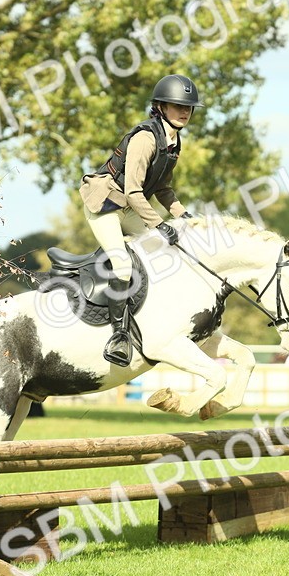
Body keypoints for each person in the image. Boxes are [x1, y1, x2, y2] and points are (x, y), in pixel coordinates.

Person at [78, 74, 201, 366]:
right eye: (177, 106)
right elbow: (133, 191)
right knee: (123, 264)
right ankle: (119, 336)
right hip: (106, 204)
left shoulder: (173, 142)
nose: (184, 111)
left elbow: (163, 188)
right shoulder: (146, 138)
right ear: (160, 107)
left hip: (130, 207)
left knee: (164, 254)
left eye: (188, 107)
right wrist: (160, 225)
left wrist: (183, 215)